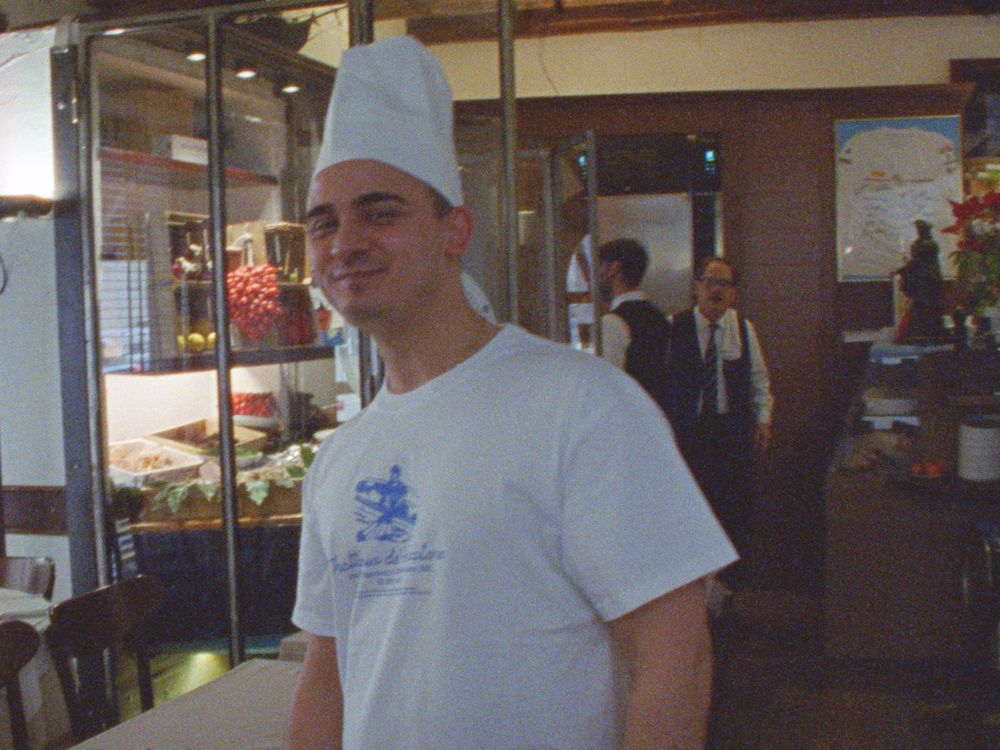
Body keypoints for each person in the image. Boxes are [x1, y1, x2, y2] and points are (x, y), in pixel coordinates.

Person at [284, 35, 736, 750]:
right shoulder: (341, 460)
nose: (344, 242)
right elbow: (328, 674)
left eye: (380, 212)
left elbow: (675, 657)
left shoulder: (580, 404)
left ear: (454, 231)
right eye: (324, 222)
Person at [663, 256, 773, 562]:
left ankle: (731, 581)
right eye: (709, 282)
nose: (716, 290)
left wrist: (763, 420)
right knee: (692, 510)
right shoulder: (674, 327)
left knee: (733, 512)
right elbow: (661, 383)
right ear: (696, 286)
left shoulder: (743, 328)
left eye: (724, 284)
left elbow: (759, 379)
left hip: (730, 433)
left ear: (733, 292)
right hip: (688, 433)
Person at [597, 237, 672, 416]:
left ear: (613, 269)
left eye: (600, 266)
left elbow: (608, 387)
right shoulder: (662, 319)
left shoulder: (612, 323)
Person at [894, 219, 945, 344]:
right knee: (925, 307)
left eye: (920, 229)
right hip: (926, 280)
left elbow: (916, 261)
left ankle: (926, 333)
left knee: (925, 307)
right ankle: (926, 333)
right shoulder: (925, 244)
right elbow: (915, 261)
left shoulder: (927, 245)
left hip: (927, 280)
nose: (918, 232)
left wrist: (902, 270)